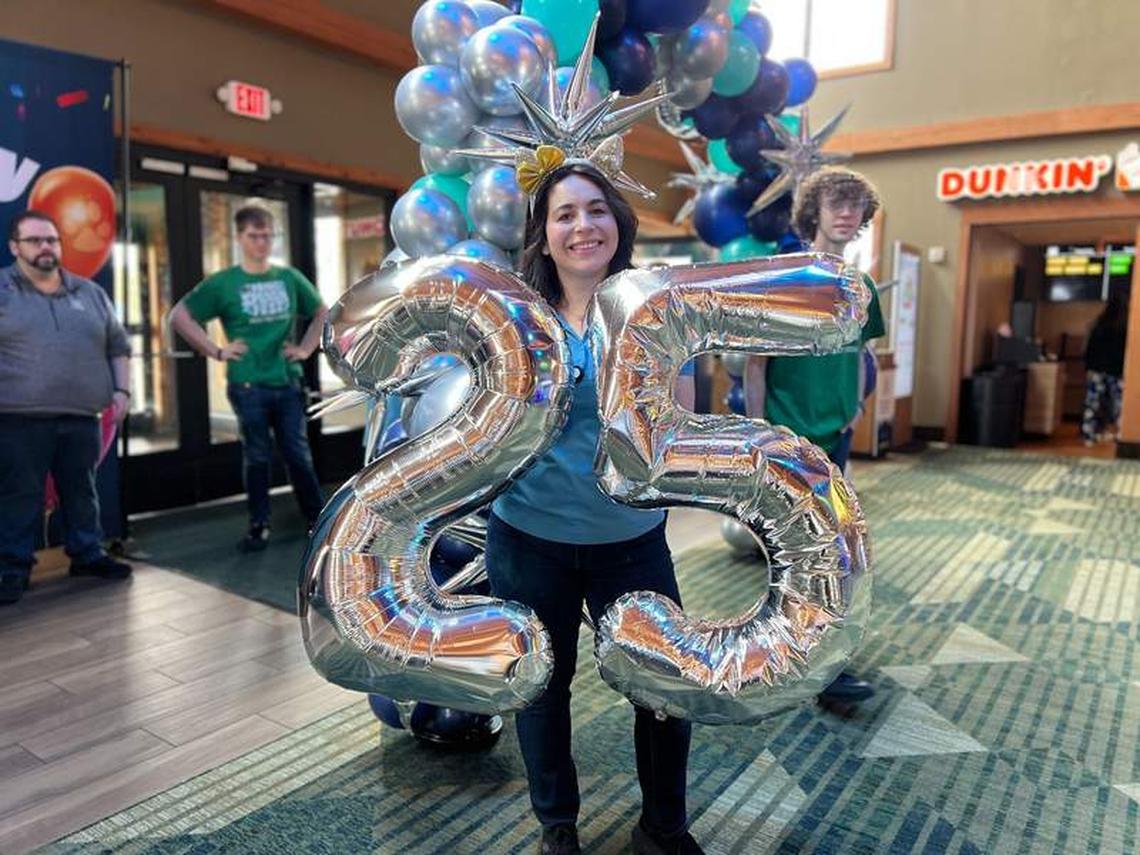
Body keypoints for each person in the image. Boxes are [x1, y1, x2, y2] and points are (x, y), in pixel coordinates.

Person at [484, 162, 702, 855]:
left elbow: (680, 425)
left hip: (631, 537)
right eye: (565, 214)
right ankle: (558, 827)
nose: (583, 225)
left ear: (619, 224)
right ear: (543, 235)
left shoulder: (654, 308)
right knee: (542, 688)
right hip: (529, 536)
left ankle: (663, 828)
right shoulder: (518, 316)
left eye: (597, 210)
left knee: (665, 689)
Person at [743, 167, 886, 709]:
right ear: (815, 214)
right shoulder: (790, 278)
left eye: (855, 205)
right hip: (788, 436)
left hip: (836, 435)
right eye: (836, 203)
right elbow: (756, 361)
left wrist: (855, 407)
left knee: (834, 552)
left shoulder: (861, 287)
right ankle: (809, 661)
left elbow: (863, 352)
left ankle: (814, 656)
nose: (846, 213)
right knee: (806, 553)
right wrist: (761, 431)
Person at [169, 205, 327, 551]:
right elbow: (179, 316)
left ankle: (319, 522)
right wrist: (216, 350)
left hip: (287, 380)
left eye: (268, 235)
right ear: (240, 237)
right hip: (247, 384)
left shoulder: (288, 278)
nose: (262, 243)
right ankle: (259, 524)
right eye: (254, 236)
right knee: (256, 456)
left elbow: (322, 312)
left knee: (298, 454)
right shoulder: (225, 283)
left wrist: (305, 349)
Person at [0, 211, 133, 605]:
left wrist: (123, 392)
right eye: (35, 240)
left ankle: (87, 555)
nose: (46, 247)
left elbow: (118, 346)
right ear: (15, 247)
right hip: (18, 420)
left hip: (82, 418)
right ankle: (12, 568)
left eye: (52, 240)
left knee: (81, 491)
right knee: (20, 495)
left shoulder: (90, 292)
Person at [1081, 288, 1128, 445]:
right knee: (1119, 404)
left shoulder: (1098, 324)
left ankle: (1088, 434)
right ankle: (1121, 434)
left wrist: (1088, 367)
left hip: (1097, 369)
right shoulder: (1126, 327)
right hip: (1117, 370)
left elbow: (1090, 349)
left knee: (1093, 403)